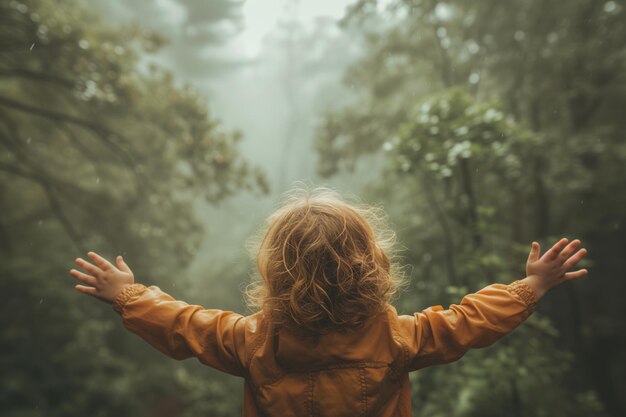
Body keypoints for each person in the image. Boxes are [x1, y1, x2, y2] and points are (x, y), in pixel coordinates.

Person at [69, 187, 588, 417]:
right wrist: (531, 287)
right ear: (371, 266)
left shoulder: (253, 343)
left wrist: (129, 295)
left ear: (274, 273)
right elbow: (466, 322)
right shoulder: (397, 339)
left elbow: (185, 324)